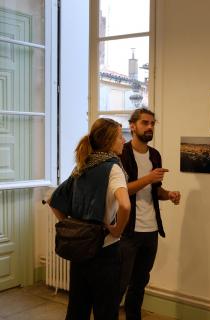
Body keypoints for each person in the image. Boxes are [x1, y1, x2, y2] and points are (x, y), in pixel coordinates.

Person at [48, 118, 131, 320]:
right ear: (109, 140)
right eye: (120, 137)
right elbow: (125, 205)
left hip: (80, 249)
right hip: (105, 250)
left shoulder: (83, 166)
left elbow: (53, 200)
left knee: (78, 308)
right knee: (106, 311)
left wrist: (69, 224)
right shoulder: (113, 168)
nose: (123, 141)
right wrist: (117, 230)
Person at [119, 108, 181, 320]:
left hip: (151, 229)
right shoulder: (122, 153)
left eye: (153, 123)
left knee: (140, 282)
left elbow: (155, 190)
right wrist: (147, 179)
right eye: (145, 123)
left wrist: (169, 194)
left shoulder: (155, 155)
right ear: (133, 126)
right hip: (127, 230)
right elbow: (121, 191)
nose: (150, 127)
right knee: (120, 282)